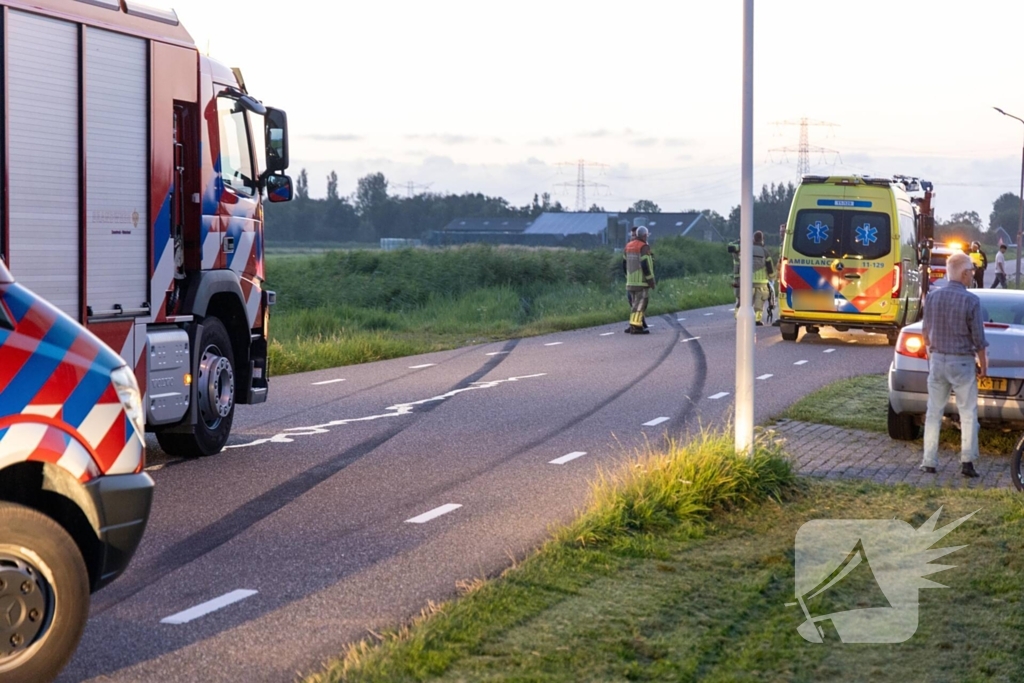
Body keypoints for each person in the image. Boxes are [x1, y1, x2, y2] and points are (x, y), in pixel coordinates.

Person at [919, 251, 987, 478]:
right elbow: (978, 339)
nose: (972, 275)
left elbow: (925, 334)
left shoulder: (933, 297)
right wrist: (984, 366)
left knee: (934, 412)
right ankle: (967, 462)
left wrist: (934, 353)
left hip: (938, 360)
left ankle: (929, 461)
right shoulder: (971, 300)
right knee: (968, 413)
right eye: (971, 271)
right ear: (965, 273)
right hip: (962, 362)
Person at [730, 231, 776, 325]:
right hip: (761, 282)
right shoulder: (765, 251)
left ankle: (738, 317)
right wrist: (772, 277)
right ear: (762, 240)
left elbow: (736, 257)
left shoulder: (745, 249)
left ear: (753, 239)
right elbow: (770, 267)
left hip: (746, 281)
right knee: (759, 302)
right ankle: (756, 320)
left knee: (743, 300)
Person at [623, 226, 655, 334]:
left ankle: (634, 325)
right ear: (644, 235)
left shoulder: (628, 246)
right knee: (641, 304)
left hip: (630, 281)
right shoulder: (644, 247)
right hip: (641, 281)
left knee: (634, 305)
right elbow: (645, 265)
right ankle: (636, 327)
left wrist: (627, 277)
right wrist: (650, 280)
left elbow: (624, 264)